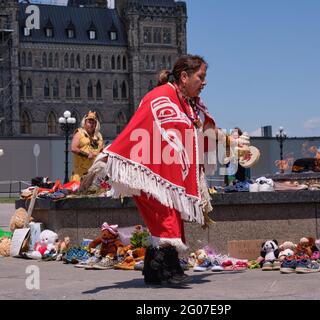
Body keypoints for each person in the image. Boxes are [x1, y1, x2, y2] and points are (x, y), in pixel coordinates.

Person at [103, 55, 217, 285]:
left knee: (169, 219)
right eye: (200, 77)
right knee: (166, 220)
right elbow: (137, 127)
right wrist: (111, 155)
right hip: (152, 174)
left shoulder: (185, 101)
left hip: (168, 176)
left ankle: (160, 269)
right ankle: (164, 269)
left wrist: (224, 142)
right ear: (184, 77)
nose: (204, 82)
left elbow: (195, 132)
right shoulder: (160, 96)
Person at [71, 111, 104, 182]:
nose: (91, 125)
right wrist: (87, 155)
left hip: (95, 174)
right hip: (80, 175)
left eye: (93, 123)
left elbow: (100, 151)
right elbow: (73, 148)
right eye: (89, 122)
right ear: (84, 123)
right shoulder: (79, 133)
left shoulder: (98, 136)